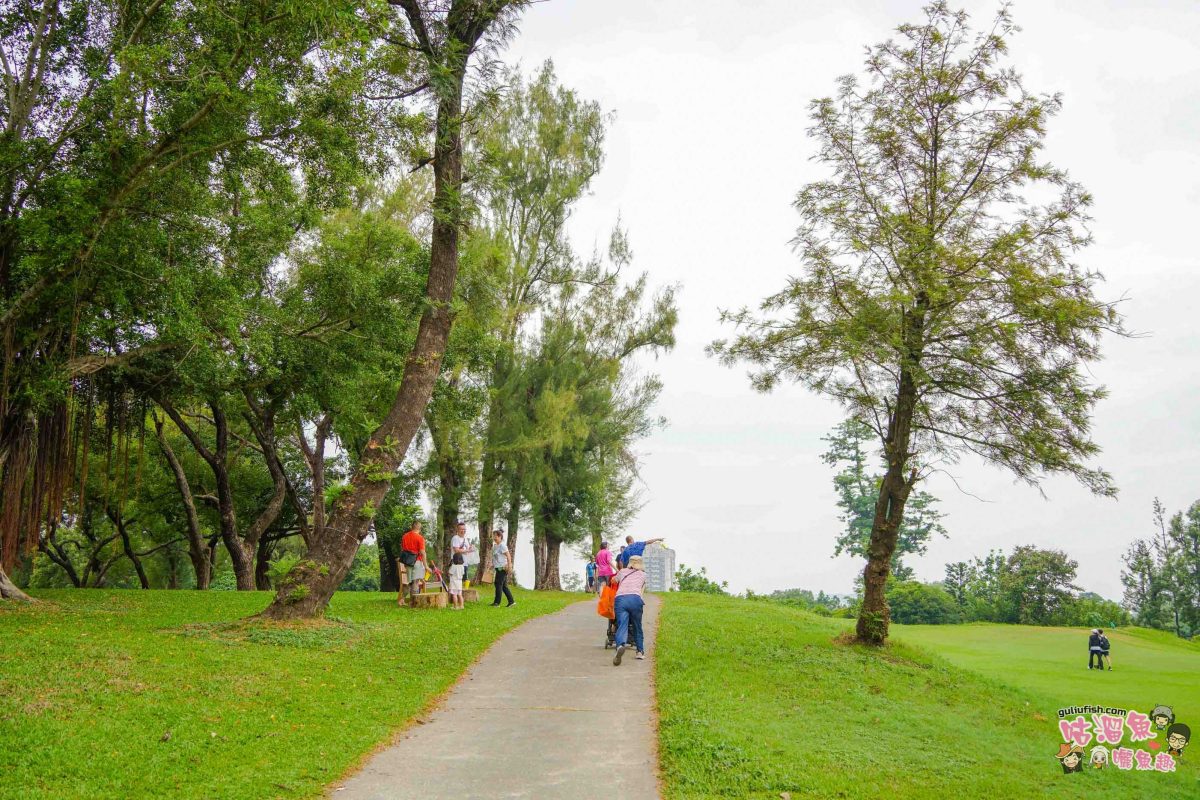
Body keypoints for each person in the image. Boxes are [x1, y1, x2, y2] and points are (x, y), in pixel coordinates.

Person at [611, 554, 647, 666]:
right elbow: (642, 588)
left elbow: (613, 581)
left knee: (622, 625)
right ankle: (640, 651)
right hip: (635, 599)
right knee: (637, 626)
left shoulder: (622, 571)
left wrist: (614, 579)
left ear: (629, 562)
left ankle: (620, 645)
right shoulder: (643, 574)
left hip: (621, 599)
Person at [400, 521, 428, 599]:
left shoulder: (404, 536)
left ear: (411, 527)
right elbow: (422, 552)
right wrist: (426, 566)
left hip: (408, 562)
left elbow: (402, 549)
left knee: (410, 582)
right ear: (419, 528)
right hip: (417, 561)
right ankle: (414, 601)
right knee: (415, 582)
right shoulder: (420, 538)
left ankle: (402, 599)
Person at [490, 529, 515, 608]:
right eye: (493, 536)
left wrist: (509, 565)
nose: (494, 538)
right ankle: (511, 602)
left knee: (498, 584)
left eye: (496, 536)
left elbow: (508, 556)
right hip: (497, 567)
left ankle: (497, 603)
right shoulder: (495, 546)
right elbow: (495, 557)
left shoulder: (502, 545)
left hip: (502, 568)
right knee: (503, 586)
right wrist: (492, 565)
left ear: (500, 536)